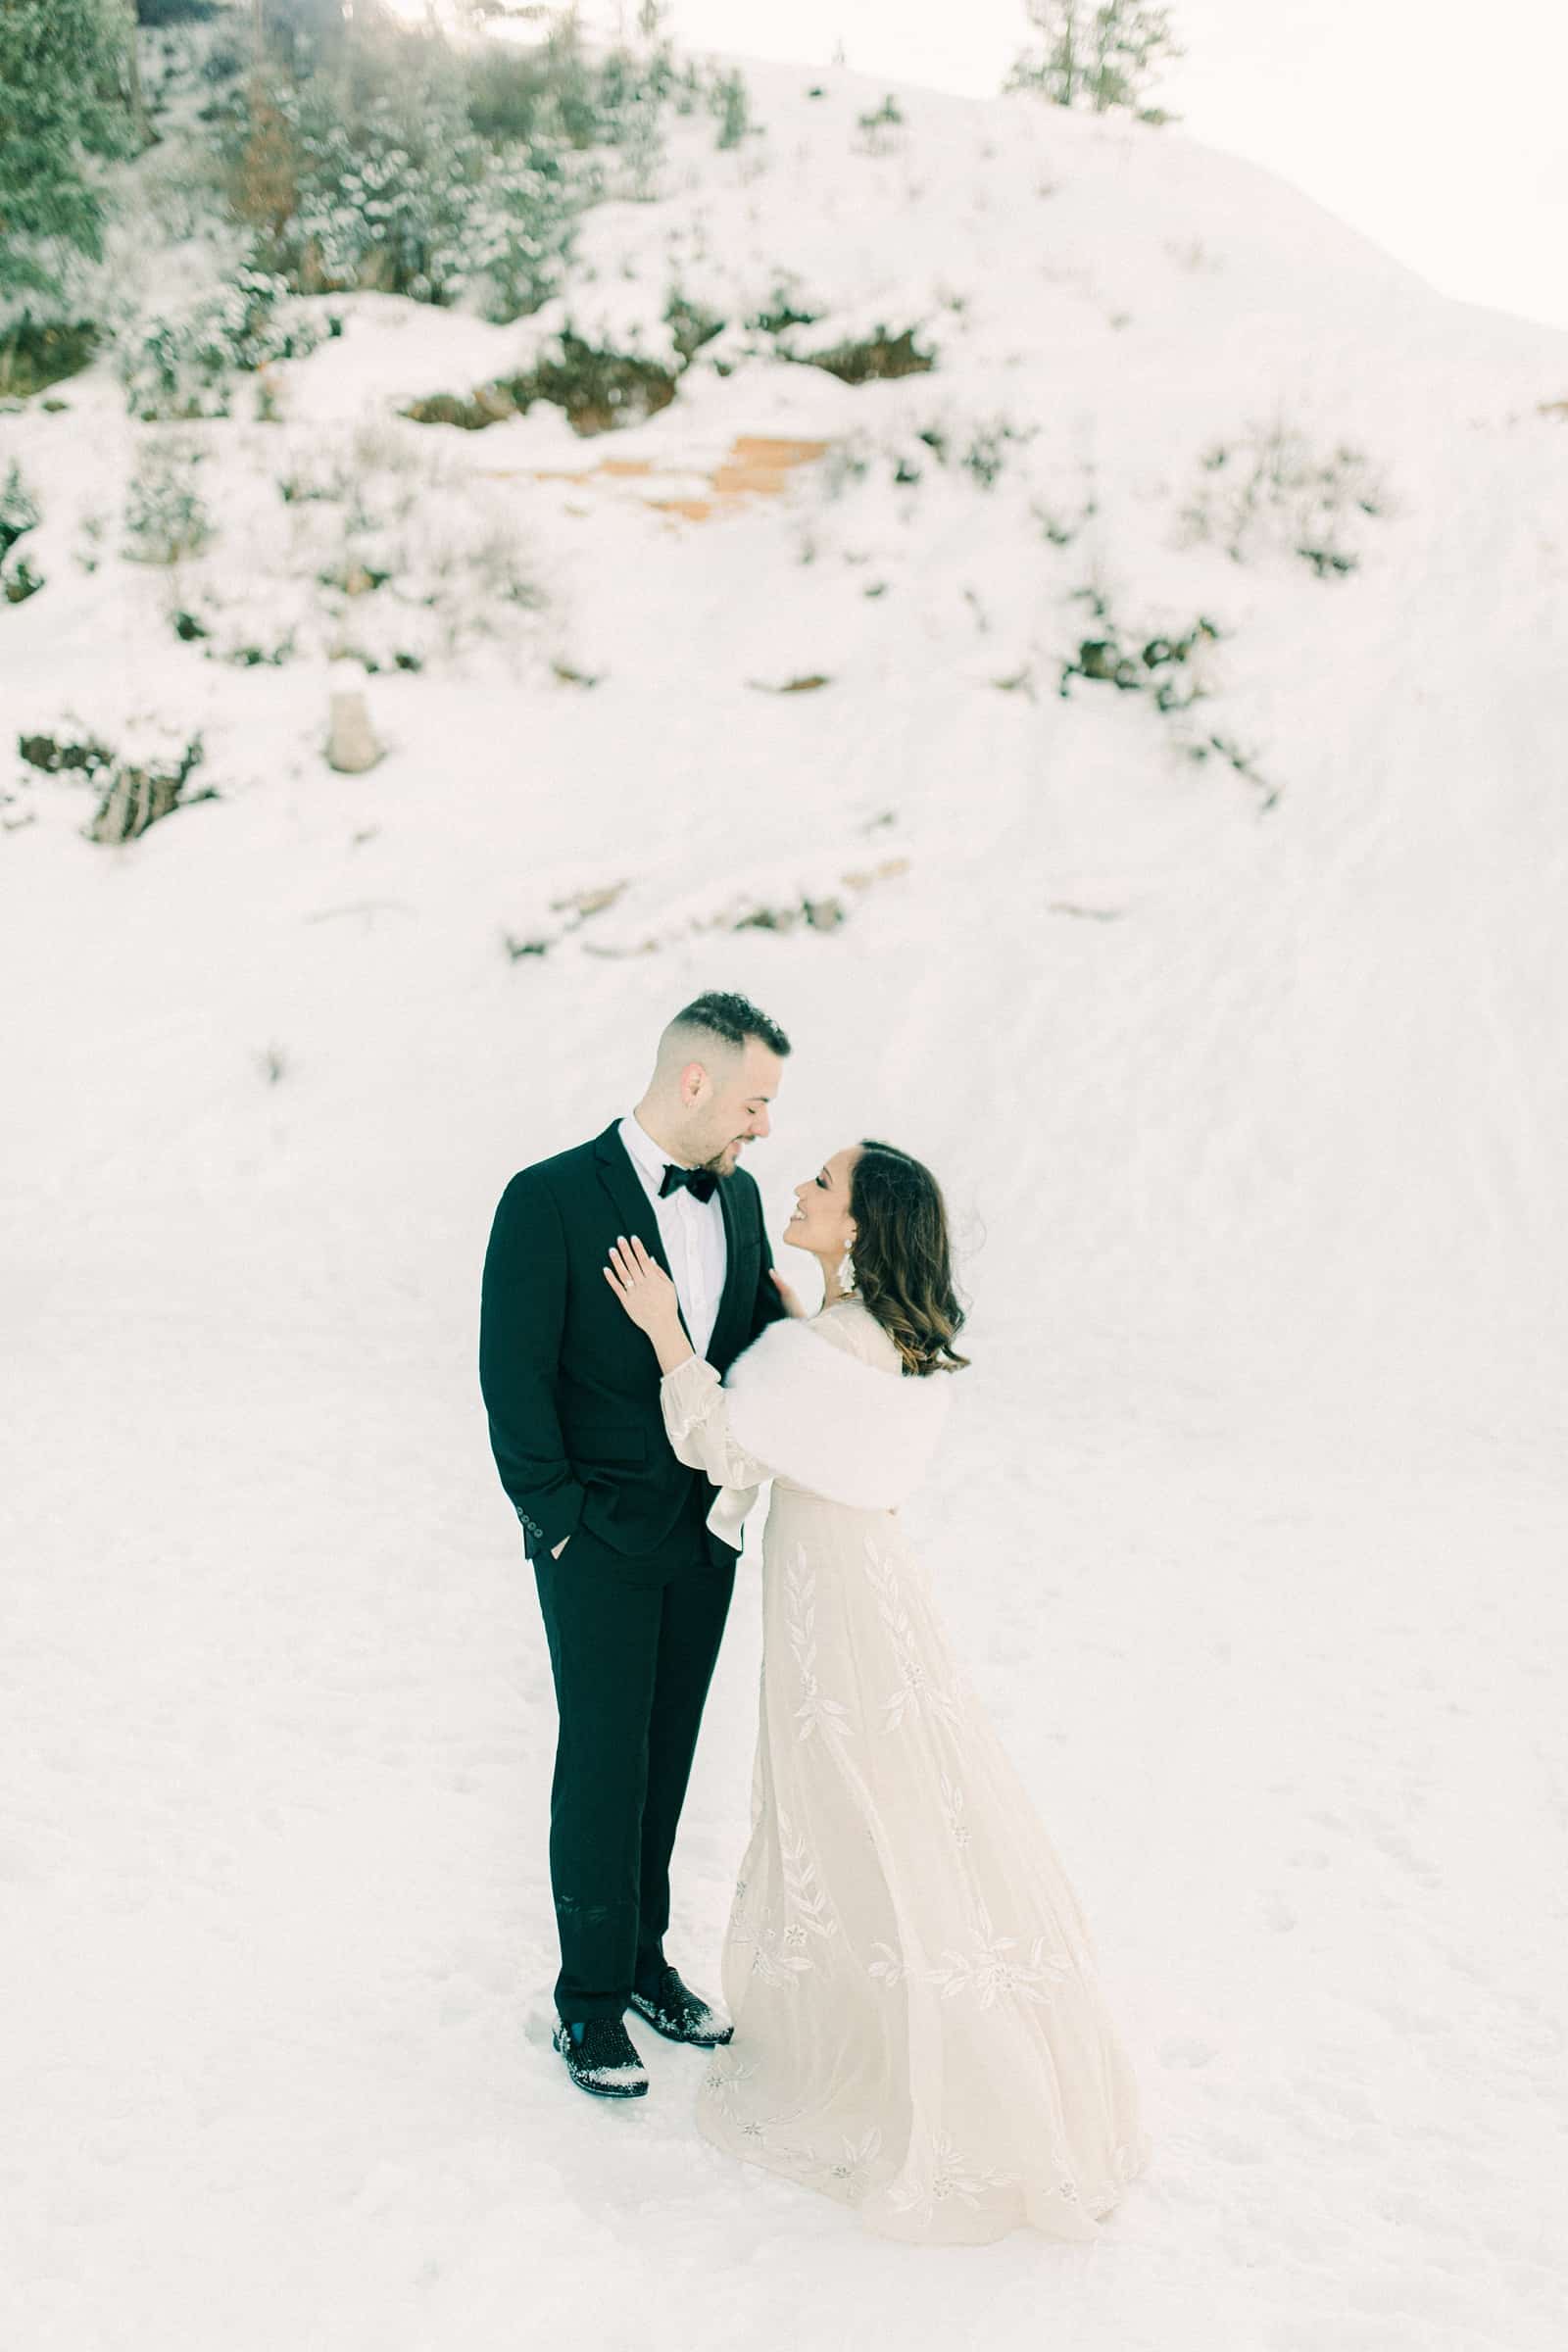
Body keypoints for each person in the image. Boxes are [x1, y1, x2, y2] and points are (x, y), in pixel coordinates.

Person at [602, 1140, 1148, 2243]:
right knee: (901, 1801)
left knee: (851, 1804)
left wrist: (668, 1332)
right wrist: (795, 1320)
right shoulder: (882, 1340)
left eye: (821, 1185)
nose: (798, 1190)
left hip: (829, 1603)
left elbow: (716, 1440)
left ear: (858, 1223)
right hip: (875, 1582)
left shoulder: (820, 1348)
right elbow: (822, 1413)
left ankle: (904, 2055)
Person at [479, 992, 792, 2099]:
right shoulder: (550, 1198)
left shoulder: (743, 1199)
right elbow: (511, 1380)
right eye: (755, 1102)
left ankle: (649, 1963)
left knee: (665, 1762)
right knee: (602, 1762)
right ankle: (589, 2002)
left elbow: (741, 1354)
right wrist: (558, 1523)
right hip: (596, 1542)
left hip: (702, 1540)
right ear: (695, 1082)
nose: (762, 1129)